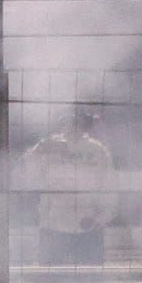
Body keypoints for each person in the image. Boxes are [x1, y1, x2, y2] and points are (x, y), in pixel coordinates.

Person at [18, 114, 117, 268]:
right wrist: (37, 151)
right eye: (68, 123)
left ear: (83, 126)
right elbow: (27, 175)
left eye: (76, 123)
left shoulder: (97, 150)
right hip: (53, 226)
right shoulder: (49, 147)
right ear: (61, 126)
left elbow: (109, 186)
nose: (72, 127)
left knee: (91, 278)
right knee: (50, 278)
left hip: (88, 225)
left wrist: (102, 217)